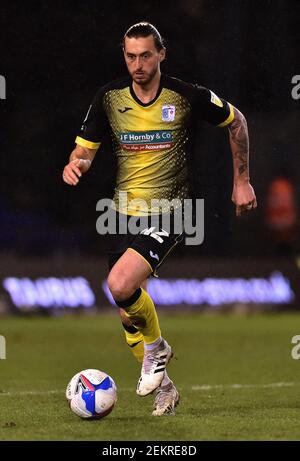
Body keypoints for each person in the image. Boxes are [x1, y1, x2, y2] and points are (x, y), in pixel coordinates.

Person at [62, 22, 257, 416]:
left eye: (146, 55)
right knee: (126, 308)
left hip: (172, 210)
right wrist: (76, 165)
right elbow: (84, 150)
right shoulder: (109, 99)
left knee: (119, 283)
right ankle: (165, 388)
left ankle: (157, 350)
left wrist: (243, 181)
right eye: (131, 56)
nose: (138, 64)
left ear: (161, 54)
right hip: (122, 214)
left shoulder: (184, 96)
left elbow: (237, 122)